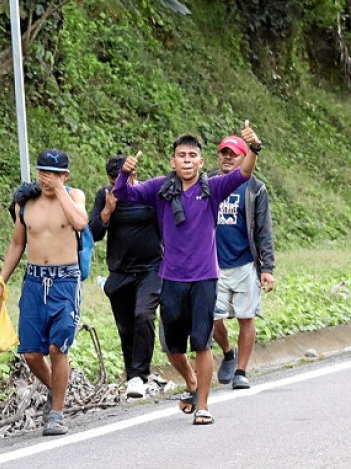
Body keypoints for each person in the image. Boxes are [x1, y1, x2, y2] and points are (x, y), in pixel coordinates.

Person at [114, 121, 262, 426]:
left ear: (201, 161)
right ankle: (192, 384)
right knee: (173, 348)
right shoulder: (159, 189)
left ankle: (204, 405)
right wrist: (124, 173)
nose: (186, 160)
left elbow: (243, 173)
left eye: (192, 156)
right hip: (171, 278)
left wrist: (254, 148)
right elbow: (124, 195)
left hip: (205, 278)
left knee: (202, 344)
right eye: (181, 155)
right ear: (173, 161)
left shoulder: (213, 188)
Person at [0, 148, 88, 436]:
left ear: (65, 175)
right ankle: (56, 389)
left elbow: (81, 222)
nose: (48, 179)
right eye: (44, 172)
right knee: (32, 353)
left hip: (66, 282)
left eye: (55, 174)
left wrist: (60, 190)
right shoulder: (25, 204)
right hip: (34, 281)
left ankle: (56, 413)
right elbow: (17, 245)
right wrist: (1, 280)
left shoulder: (74, 197)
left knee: (58, 348)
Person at [88, 155, 165, 399]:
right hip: (120, 272)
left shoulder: (148, 193)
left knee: (144, 315)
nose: (119, 183)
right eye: (114, 179)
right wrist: (107, 212)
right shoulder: (106, 195)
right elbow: (93, 233)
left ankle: (139, 376)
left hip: (150, 269)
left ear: (134, 174)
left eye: (124, 176)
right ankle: (133, 375)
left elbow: (166, 227)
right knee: (126, 327)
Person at [211, 136, 275, 390]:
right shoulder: (208, 183)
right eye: (223, 153)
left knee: (246, 318)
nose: (228, 157)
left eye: (234, 154)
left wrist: (267, 268)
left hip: (245, 263)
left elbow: (264, 231)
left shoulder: (254, 188)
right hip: (213, 265)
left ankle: (241, 370)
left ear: (243, 157)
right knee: (213, 319)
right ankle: (228, 352)